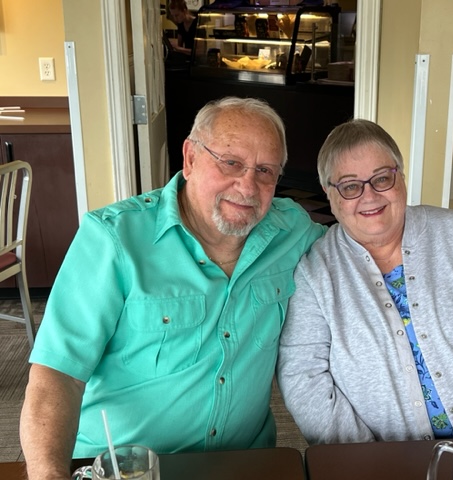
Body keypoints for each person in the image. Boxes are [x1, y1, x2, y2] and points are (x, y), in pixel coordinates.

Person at [20, 97, 325, 479]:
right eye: (231, 162)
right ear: (190, 158)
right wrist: (48, 474)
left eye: (265, 171)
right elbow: (57, 374)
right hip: (127, 468)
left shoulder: (291, 232)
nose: (248, 186)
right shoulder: (113, 239)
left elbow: (360, 246)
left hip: (245, 463)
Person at [276, 119, 453, 445]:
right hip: (385, 461)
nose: (369, 195)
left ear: (400, 177)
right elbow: (302, 374)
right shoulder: (316, 272)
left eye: (381, 178)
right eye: (350, 186)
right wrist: (363, 458)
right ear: (330, 195)